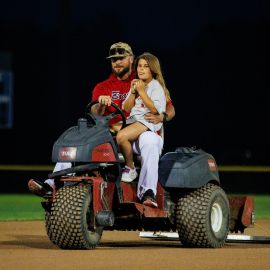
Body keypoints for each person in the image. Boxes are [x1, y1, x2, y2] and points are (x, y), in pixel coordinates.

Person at [28, 42, 175, 207]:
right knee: (77, 139)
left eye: (121, 58)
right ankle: (51, 184)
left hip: (139, 135)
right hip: (110, 137)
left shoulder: (142, 79)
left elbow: (169, 108)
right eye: (113, 60)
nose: (117, 62)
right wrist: (101, 104)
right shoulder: (102, 87)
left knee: (150, 140)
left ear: (131, 59)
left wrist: (161, 116)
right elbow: (95, 113)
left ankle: (148, 193)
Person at [117, 52, 169, 185]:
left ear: (152, 69)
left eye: (145, 66)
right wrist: (133, 92)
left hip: (147, 121)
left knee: (121, 136)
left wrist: (141, 92)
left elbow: (155, 110)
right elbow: (127, 109)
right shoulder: (136, 84)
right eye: (139, 66)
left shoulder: (156, 86)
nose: (141, 69)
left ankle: (130, 168)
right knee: (106, 130)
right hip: (133, 119)